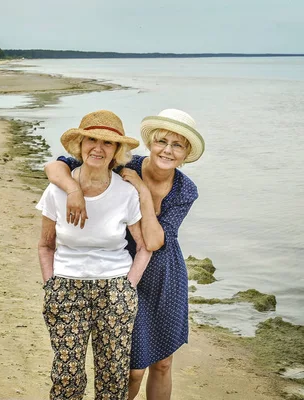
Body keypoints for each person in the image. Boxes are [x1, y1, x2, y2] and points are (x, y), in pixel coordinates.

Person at [44, 109, 205, 400]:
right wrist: (72, 190)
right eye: (162, 141)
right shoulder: (121, 164)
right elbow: (56, 167)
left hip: (164, 275)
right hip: (120, 270)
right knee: (131, 368)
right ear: (150, 144)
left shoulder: (184, 189)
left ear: (185, 153)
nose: (167, 150)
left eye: (177, 145)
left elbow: (156, 241)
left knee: (163, 363)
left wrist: (142, 191)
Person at [37, 110, 152, 400]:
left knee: (113, 377)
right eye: (91, 140)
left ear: (117, 152)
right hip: (65, 289)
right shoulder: (56, 190)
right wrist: (51, 284)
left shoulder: (126, 193)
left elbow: (143, 245)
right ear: (80, 145)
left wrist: (128, 286)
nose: (98, 148)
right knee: (66, 375)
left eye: (108, 143)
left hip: (114, 290)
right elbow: (45, 245)